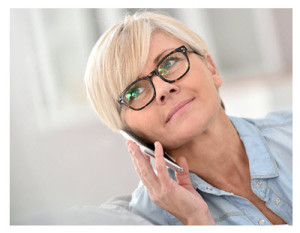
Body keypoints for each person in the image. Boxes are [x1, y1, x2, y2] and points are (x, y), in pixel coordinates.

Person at [84, 11, 292, 225]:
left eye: (170, 62)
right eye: (135, 92)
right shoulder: (149, 220)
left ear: (211, 68)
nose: (163, 88)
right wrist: (196, 220)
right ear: (128, 132)